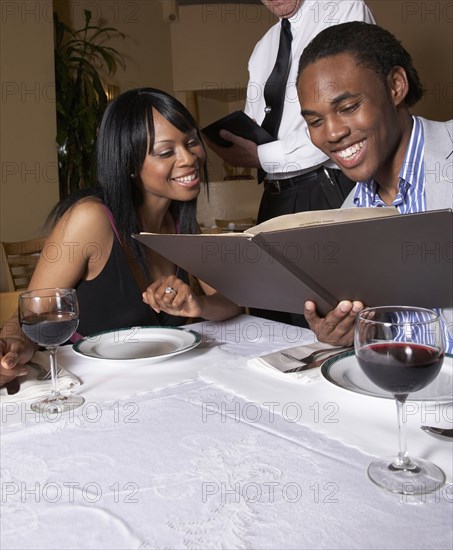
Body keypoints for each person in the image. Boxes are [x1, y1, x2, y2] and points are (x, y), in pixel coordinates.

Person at [0, 88, 242, 384]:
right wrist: (16, 342)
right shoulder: (90, 219)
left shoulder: (182, 224)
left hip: (158, 384)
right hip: (87, 389)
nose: (189, 158)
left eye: (192, 142)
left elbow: (230, 301)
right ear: (129, 164)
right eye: (166, 152)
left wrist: (197, 304)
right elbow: (30, 314)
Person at [206, 0, 375, 326]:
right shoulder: (264, 46)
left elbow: (345, 122)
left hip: (326, 189)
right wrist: (234, 143)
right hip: (274, 195)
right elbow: (256, 119)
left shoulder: (344, 9)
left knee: (338, 316)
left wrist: (262, 156)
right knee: (271, 311)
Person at [296, 21, 453, 351]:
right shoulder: (344, 216)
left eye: (349, 107)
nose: (332, 133)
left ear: (396, 86)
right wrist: (343, 332)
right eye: (315, 121)